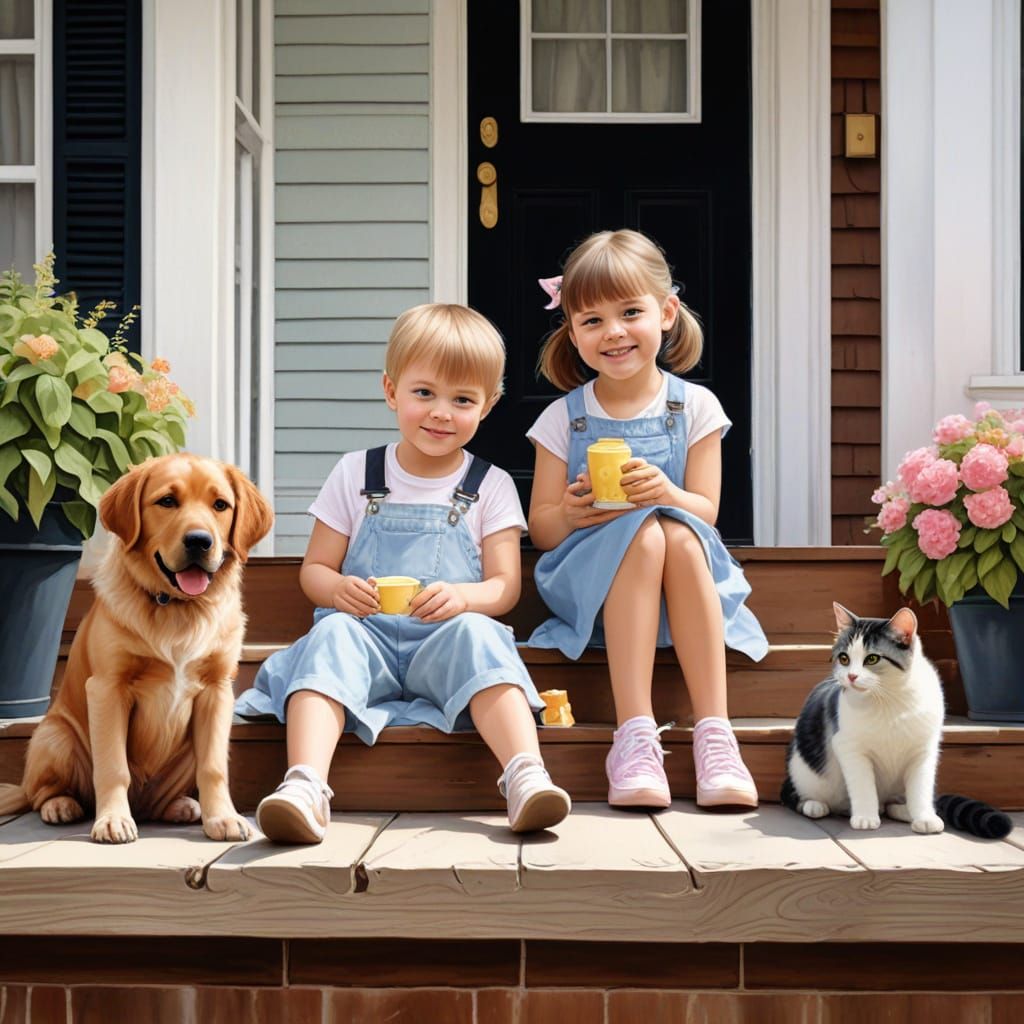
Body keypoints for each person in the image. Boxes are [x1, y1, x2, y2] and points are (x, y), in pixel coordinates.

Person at [236, 303, 570, 842]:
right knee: (330, 634)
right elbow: (315, 570)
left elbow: (505, 586)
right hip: (363, 644)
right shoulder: (356, 472)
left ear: (488, 406)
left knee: (481, 634)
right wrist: (338, 588)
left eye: (462, 400)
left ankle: (525, 775)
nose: (441, 412)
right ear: (391, 391)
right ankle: (304, 785)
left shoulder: (492, 485)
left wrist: (464, 598)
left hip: (444, 649)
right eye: (424, 394)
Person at [527, 229, 769, 811]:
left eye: (630, 312)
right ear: (573, 334)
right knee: (646, 535)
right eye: (591, 320)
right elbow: (541, 530)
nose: (612, 332)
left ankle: (716, 733)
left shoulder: (696, 408)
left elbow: (707, 512)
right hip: (593, 580)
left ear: (666, 313)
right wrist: (570, 512)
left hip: (684, 579)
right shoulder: (565, 419)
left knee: (676, 533)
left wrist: (667, 491)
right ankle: (634, 735)